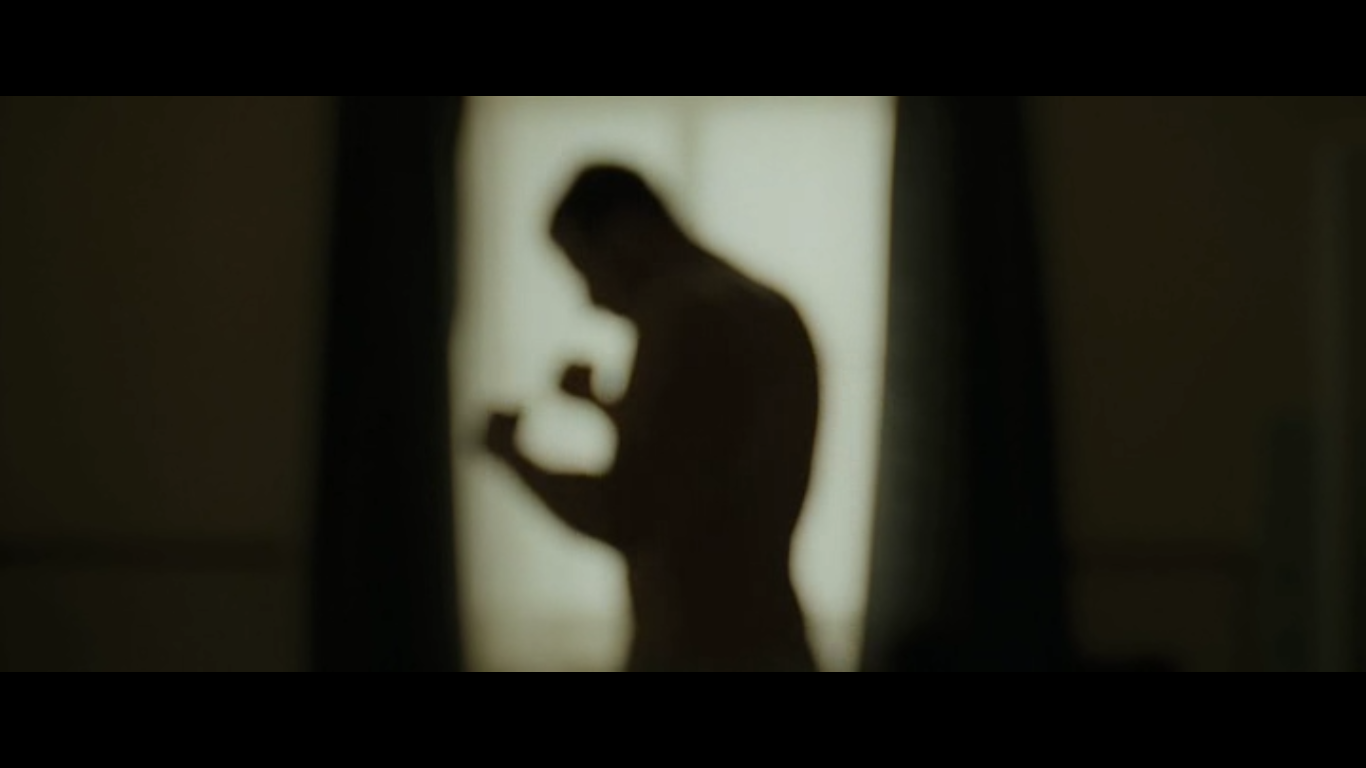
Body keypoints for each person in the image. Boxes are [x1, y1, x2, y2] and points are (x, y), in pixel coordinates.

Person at [484, 165, 821, 673]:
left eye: (585, 267)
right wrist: (605, 406)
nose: (591, 298)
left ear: (627, 233)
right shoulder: (769, 308)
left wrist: (513, 456)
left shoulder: (685, 313)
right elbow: (705, 456)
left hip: (698, 647)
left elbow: (625, 509)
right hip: (770, 635)